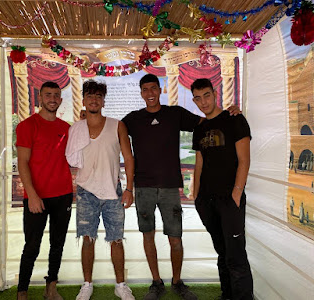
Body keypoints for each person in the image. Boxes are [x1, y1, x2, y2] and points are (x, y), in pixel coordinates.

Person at [122, 74, 240, 300]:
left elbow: (207, 121)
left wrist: (230, 113)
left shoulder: (174, 114)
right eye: (145, 89)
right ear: (141, 93)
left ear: (160, 90)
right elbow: (112, 130)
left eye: (153, 88)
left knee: (175, 239)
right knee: (148, 236)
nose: (150, 93)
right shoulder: (133, 119)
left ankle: (177, 282)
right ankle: (156, 283)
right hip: (144, 187)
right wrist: (86, 116)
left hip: (169, 187)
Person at [66, 80, 135, 300]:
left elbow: (128, 158)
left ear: (103, 101)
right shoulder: (76, 128)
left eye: (98, 96)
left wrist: (129, 188)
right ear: (84, 100)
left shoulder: (117, 125)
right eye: (90, 96)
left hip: (113, 190)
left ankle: (120, 285)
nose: (94, 100)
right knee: (87, 238)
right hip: (86, 190)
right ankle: (87, 284)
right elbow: (70, 158)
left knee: (116, 239)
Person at [191, 78, 254, 300]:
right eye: (198, 98)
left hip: (230, 199)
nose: (203, 101)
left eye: (206, 95)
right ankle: (226, 295)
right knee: (222, 251)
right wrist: (196, 196)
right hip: (206, 200)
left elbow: (244, 161)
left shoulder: (234, 120)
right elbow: (199, 163)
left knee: (236, 254)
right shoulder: (199, 128)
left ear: (215, 93)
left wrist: (236, 194)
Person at [15, 81, 73, 300]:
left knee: (57, 244)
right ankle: (22, 292)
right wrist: (32, 195)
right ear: (40, 98)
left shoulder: (66, 128)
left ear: (60, 99)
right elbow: (23, 163)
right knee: (32, 246)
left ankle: (51, 287)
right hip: (36, 197)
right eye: (48, 95)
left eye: (56, 95)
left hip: (63, 194)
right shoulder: (27, 126)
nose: (53, 99)